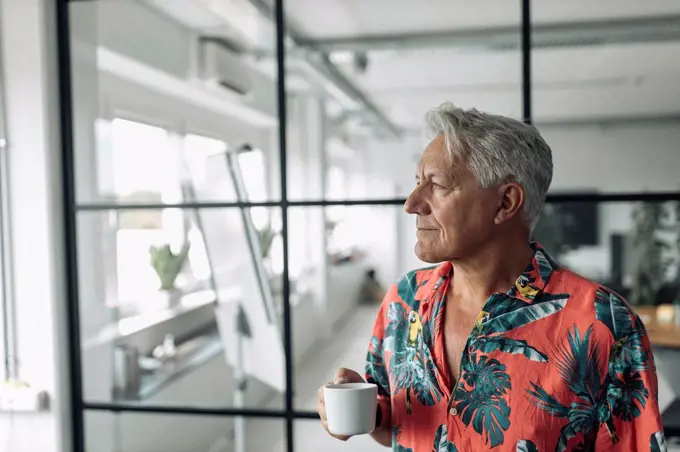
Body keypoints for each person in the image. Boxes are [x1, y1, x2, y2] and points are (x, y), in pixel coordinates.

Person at [317, 103, 665, 451]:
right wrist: (367, 414)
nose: (412, 203)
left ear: (505, 202)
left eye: (436, 184)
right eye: (417, 182)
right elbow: (396, 427)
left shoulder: (605, 325)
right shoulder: (404, 300)